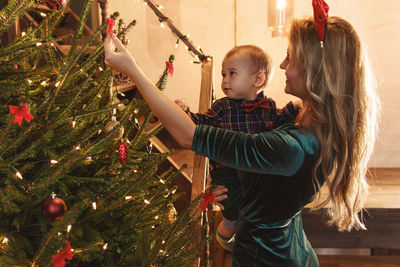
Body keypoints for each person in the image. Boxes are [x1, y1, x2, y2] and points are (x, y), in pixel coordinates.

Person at [104, 3, 379, 265]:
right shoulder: (306, 119)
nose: (283, 65)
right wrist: (241, 185)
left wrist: (134, 72)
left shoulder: (291, 146)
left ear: (317, 71)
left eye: (291, 58)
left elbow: (190, 136)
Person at [174, 45, 299, 251]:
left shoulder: (268, 106)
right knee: (230, 205)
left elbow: (280, 117)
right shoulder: (222, 107)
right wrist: (185, 112)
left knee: (255, 205)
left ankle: (249, 235)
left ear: (257, 80)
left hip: (256, 171)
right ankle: (228, 228)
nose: (224, 80)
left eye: (232, 74)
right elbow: (202, 122)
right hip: (227, 169)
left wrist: (295, 107)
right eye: (223, 74)